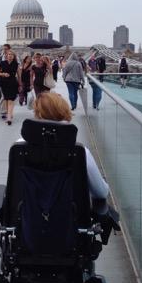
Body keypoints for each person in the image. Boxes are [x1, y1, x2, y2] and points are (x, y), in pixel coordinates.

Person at [32, 93, 117, 228]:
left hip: (30, 228)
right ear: (64, 112)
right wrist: (104, 183)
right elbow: (101, 193)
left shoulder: (20, 148)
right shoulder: (80, 151)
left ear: (37, 114)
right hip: (71, 228)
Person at [0, 50, 19, 125]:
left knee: (10, 100)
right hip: (4, 84)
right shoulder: (2, 63)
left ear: (14, 56)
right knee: (6, 100)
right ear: (6, 55)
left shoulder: (16, 64)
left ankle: (9, 118)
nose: (10, 56)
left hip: (13, 83)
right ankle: (9, 114)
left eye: (12, 54)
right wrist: (3, 74)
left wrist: (21, 85)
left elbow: (19, 75)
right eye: (9, 54)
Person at [0, 43, 11, 120]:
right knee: (3, 96)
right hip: (3, 80)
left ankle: (9, 111)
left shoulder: (14, 57)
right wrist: (3, 73)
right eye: (4, 49)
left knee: (10, 97)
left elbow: (18, 68)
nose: (4, 51)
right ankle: (3, 112)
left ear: (9, 49)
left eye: (6, 49)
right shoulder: (1, 58)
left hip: (12, 80)